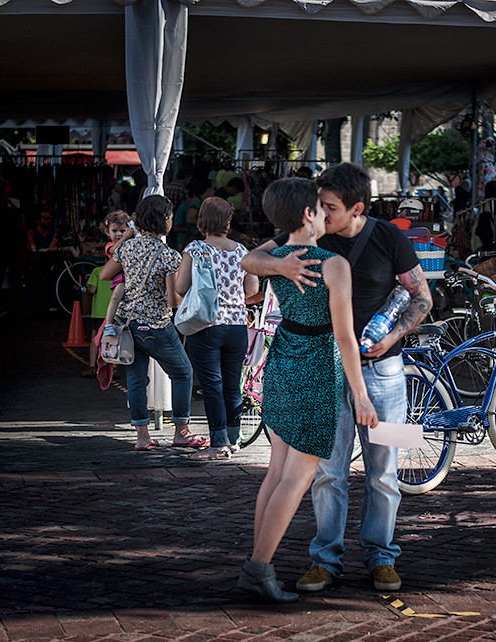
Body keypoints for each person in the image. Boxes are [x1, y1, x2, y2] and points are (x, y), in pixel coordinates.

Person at [242, 162, 432, 593]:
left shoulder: (389, 237)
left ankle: (382, 557)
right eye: (319, 206)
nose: (322, 215)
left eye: (330, 207)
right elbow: (251, 258)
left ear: (356, 208)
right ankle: (325, 560)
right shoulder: (311, 239)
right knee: (329, 473)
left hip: (384, 371)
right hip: (327, 375)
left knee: (385, 471)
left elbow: (422, 297)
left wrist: (394, 337)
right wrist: (282, 268)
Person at [237, 177, 378, 603]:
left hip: (282, 360)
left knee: (278, 472)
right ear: (307, 214)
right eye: (320, 207)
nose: (325, 213)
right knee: (296, 479)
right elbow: (345, 337)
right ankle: (260, 567)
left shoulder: (277, 254)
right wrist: (362, 394)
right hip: (316, 370)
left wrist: (276, 265)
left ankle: (255, 563)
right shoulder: (332, 265)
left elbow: (250, 259)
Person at [99, 195, 203, 451]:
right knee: (183, 373)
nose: (170, 220)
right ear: (162, 220)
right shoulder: (169, 255)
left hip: (129, 324)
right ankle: (182, 431)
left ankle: (142, 437)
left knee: (136, 380)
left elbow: (104, 275)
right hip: (157, 326)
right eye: (169, 216)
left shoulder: (127, 247)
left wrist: (124, 240)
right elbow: (172, 301)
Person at [176, 197, 260, 461]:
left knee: (212, 385)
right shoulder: (241, 251)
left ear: (202, 220)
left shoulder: (196, 249)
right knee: (232, 384)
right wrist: (233, 298)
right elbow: (253, 290)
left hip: (206, 325)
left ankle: (218, 443)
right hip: (237, 326)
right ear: (227, 221)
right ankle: (232, 439)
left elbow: (180, 287)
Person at [83, 211, 130, 377]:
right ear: (107, 232)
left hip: (128, 280)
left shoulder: (130, 244)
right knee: (116, 296)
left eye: (122, 231)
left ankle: (114, 363)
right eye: (115, 231)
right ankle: (108, 322)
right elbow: (116, 249)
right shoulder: (110, 246)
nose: (118, 234)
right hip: (120, 280)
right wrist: (128, 236)